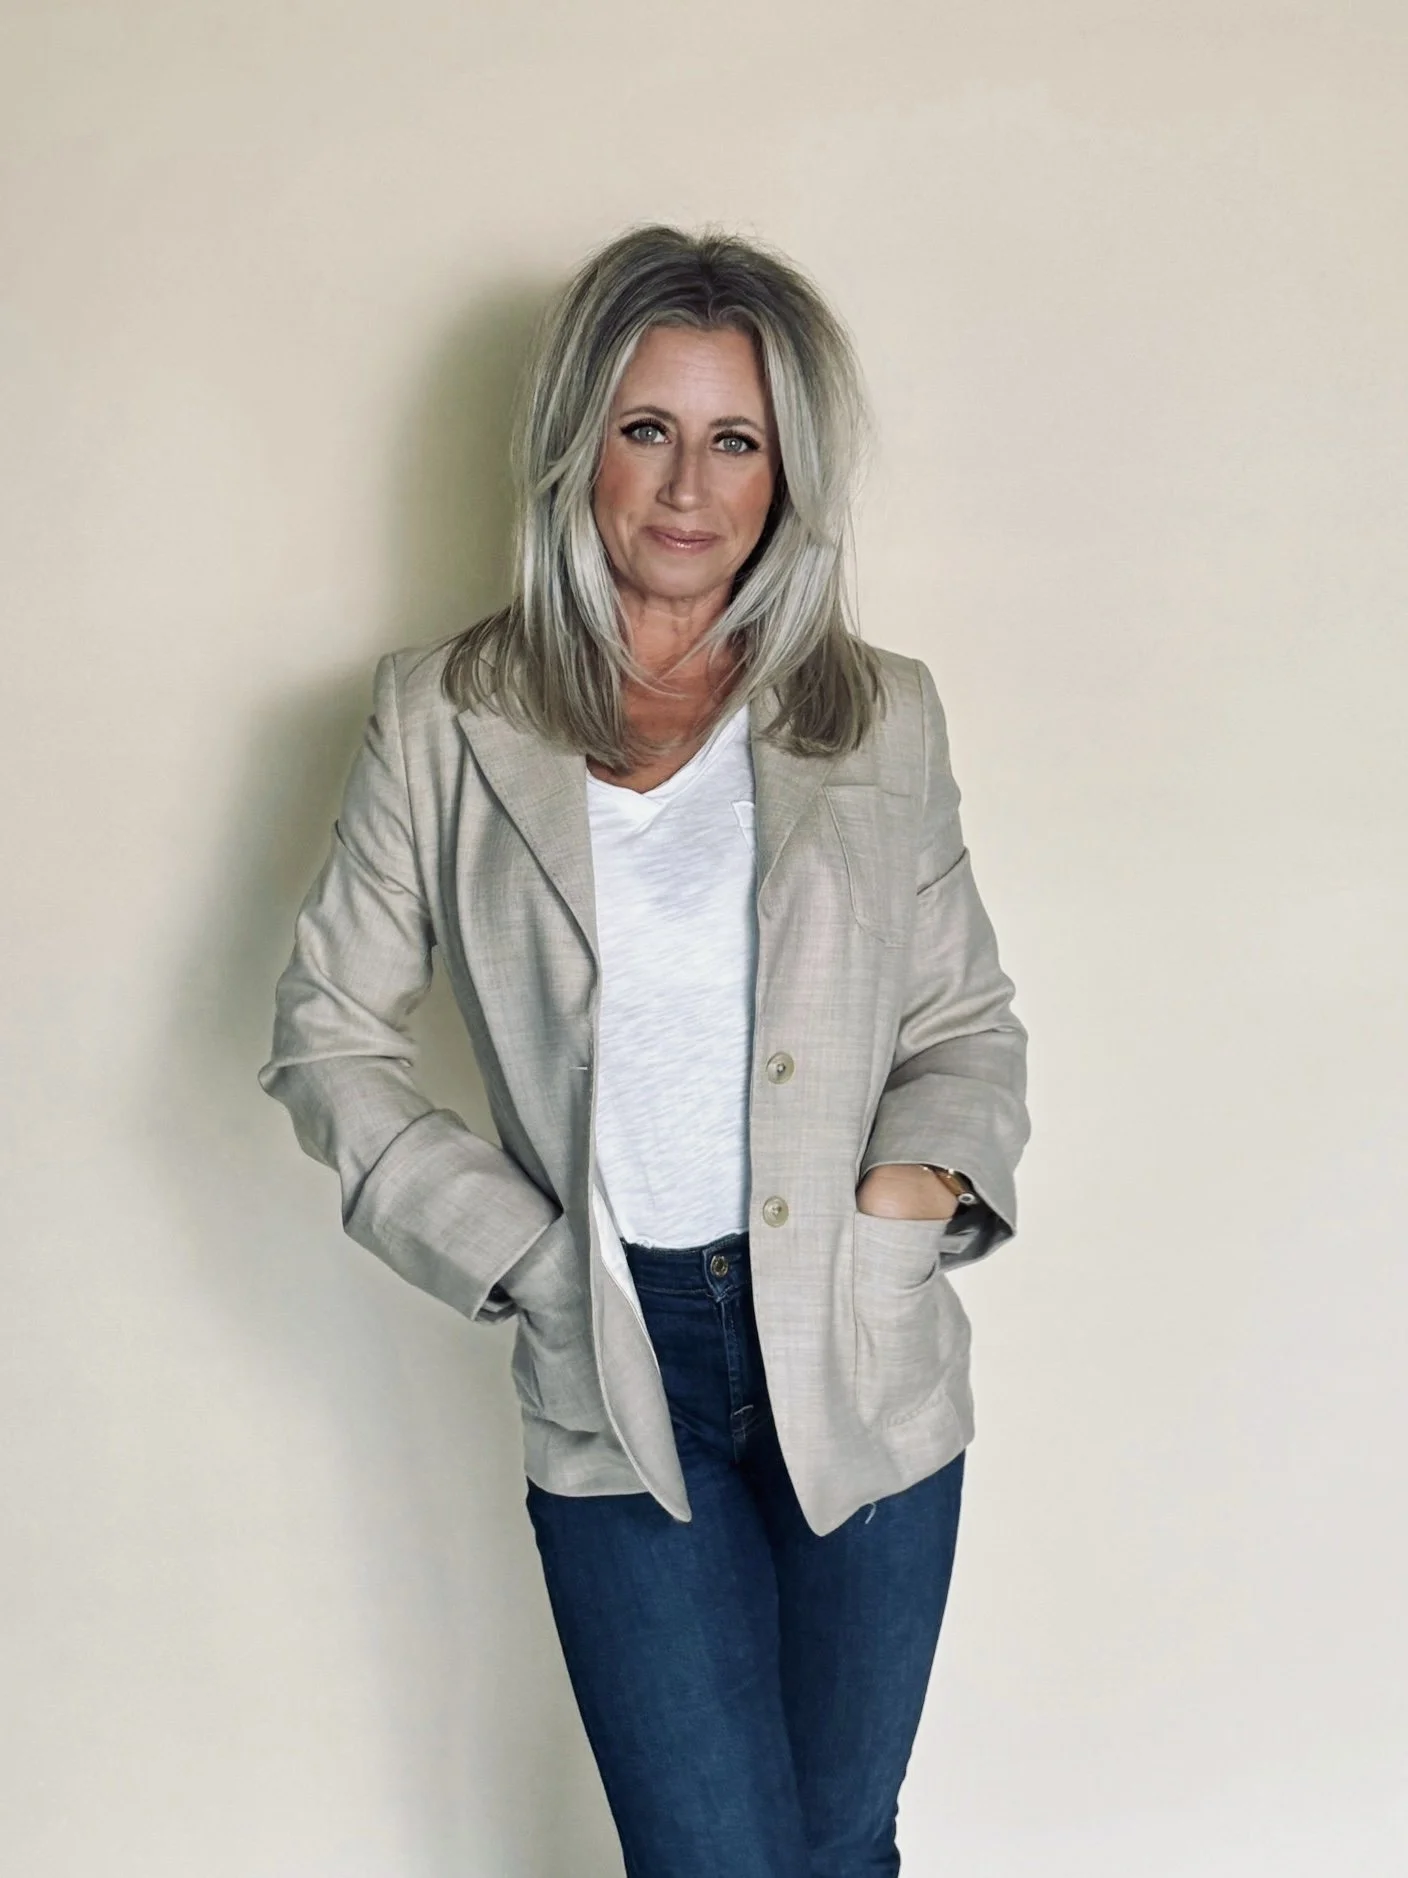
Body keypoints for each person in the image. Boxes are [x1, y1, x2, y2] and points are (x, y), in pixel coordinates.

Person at [259, 223, 1029, 1878]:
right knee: (711, 1857)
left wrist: (904, 1212)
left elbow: (965, 1020)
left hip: (859, 1345)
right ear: (576, 450)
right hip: (615, 1352)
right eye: (647, 427)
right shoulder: (444, 715)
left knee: (838, 1850)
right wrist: (531, 1259)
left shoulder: (877, 713)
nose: (689, 486)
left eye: (735, 438)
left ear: (785, 473)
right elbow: (327, 1036)